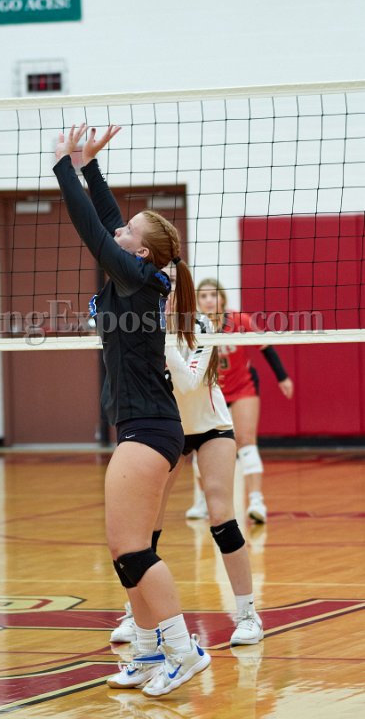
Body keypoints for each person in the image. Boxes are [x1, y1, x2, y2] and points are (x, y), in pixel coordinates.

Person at [53, 124, 210, 698]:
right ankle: (146, 655)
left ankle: (183, 651)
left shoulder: (138, 279)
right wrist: (90, 167)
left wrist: (65, 168)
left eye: (127, 232)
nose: (117, 229)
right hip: (143, 426)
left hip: (149, 429)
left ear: (139, 251)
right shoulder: (138, 274)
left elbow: (94, 229)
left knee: (135, 550)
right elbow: (109, 222)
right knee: (126, 551)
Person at [111, 279, 263, 649]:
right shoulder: (140, 326)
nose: (165, 295)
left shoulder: (201, 326)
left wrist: (162, 339)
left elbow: (191, 381)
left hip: (211, 427)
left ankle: (247, 615)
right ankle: (137, 615)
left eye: (172, 289)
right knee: (144, 528)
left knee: (221, 515)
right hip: (167, 430)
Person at [187, 279, 294, 524]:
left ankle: (256, 502)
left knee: (246, 442)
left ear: (222, 298)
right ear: (198, 301)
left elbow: (265, 346)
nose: (209, 300)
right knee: (200, 445)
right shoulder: (194, 326)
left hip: (242, 387)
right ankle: (202, 500)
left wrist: (282, 377)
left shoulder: (239, 320)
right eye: (203, 296)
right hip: (211, 391)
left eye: (213, 295)